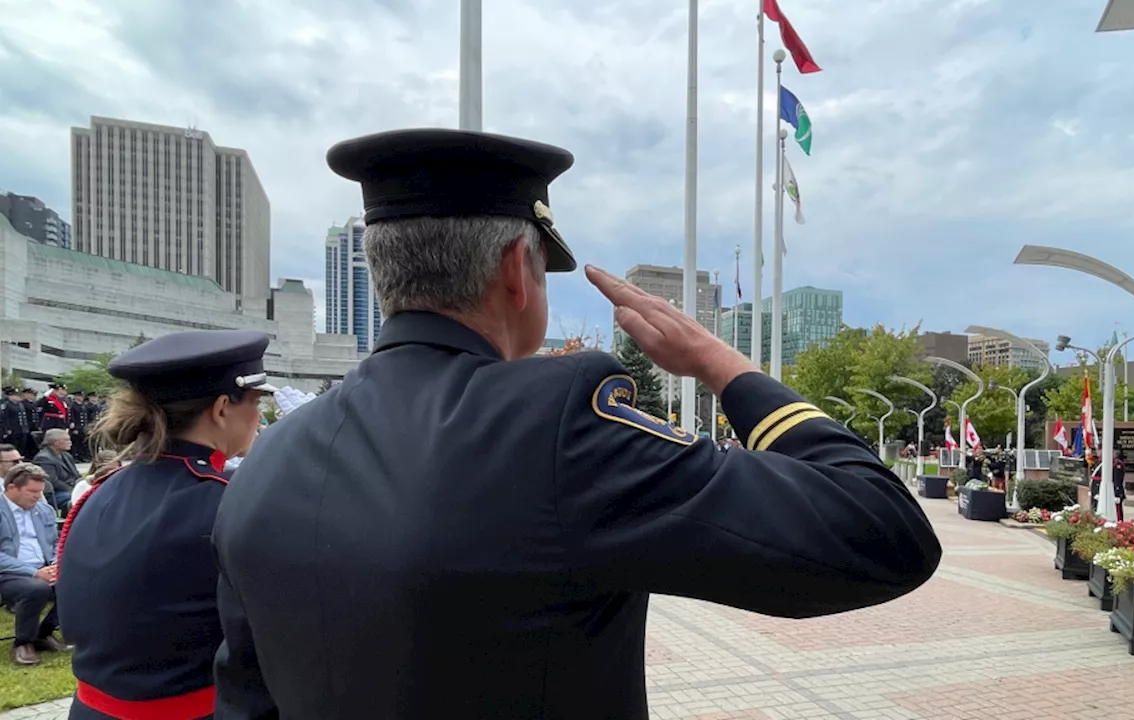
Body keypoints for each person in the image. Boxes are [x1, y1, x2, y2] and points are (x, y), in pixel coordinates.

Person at [210, 129, 943, 720]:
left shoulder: (268, 460)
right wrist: (725, 366)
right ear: (513, 272)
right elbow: (881, 535)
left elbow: (244, 700)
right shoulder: (552, 424)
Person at [55, 330, 274, 720]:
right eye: (257, 402)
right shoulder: (233, 501)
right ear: (222, 408)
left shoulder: (100, 492)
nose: (259, 417)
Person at [0, 462, 64, 666]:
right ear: (11, 488)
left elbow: (55, 542)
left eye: (40, 491)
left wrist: (56, 563)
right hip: (8, 573)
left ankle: (43, 633)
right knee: (36, 588)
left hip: (44, 568)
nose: (38, 496)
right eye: (32, 491)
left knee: (78, 582)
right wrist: (34, 572)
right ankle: (23, 642)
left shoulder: (43, 510)